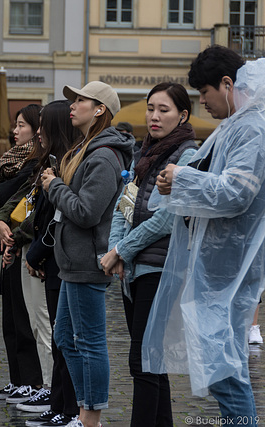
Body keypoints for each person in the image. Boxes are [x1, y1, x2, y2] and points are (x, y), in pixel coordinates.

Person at [144, 48, 265, 426]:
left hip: (227, 269)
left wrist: (181, 177)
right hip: (217, 267)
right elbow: (207, 178)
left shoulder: (251, 128)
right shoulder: (234, 125)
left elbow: (236, 192)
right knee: (223, 367)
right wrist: (174, 181)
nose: (202, 102)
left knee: (225, 370)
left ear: (227, 85)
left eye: (204, 93)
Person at [100, 82, 198, 427]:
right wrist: (116, 251)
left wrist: (123, 250)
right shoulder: (143, 152)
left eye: (164, 109)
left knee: (142, 360)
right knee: (153, 362)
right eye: (150, 108)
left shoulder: (188, 154)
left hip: (162, 268)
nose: (154, 116)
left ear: (183, 114)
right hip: (134, 268)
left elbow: (170, 217)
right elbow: (122, 207)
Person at [41, 81, 133, 427]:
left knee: (91, 342)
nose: (73, 105)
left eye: (81, 100)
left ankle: (90, 417)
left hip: (87, 262)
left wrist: (54, 187)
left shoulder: (104, 155)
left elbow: (86, 212)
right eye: (74, 100)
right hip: (72, 261)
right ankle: (84, 410)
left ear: (99, 110)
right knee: (65, 337)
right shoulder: (87, 149)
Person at [3, 101, 80, 425]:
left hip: (53, 257)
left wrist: (30, 245)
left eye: (40, 125)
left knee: (56, 333)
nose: (35, 132)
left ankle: (56, 393)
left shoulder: (66, 164)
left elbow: (52, 216)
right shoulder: (47, 162)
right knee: (44, 327)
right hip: (38, 251)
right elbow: (19, 202)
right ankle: (56, 396)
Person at [0, 104, 49, 405]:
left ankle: (33, 381)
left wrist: (11, 229)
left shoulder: (36, 164)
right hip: (9, 240)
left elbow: (2, 195)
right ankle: (18, 379)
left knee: (29, 320)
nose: (16, 131)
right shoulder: (13, 162)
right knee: (11, 317)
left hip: (24, 245)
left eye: (23, 125)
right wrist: (0, 221)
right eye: (16, 125)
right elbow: (5, 201)